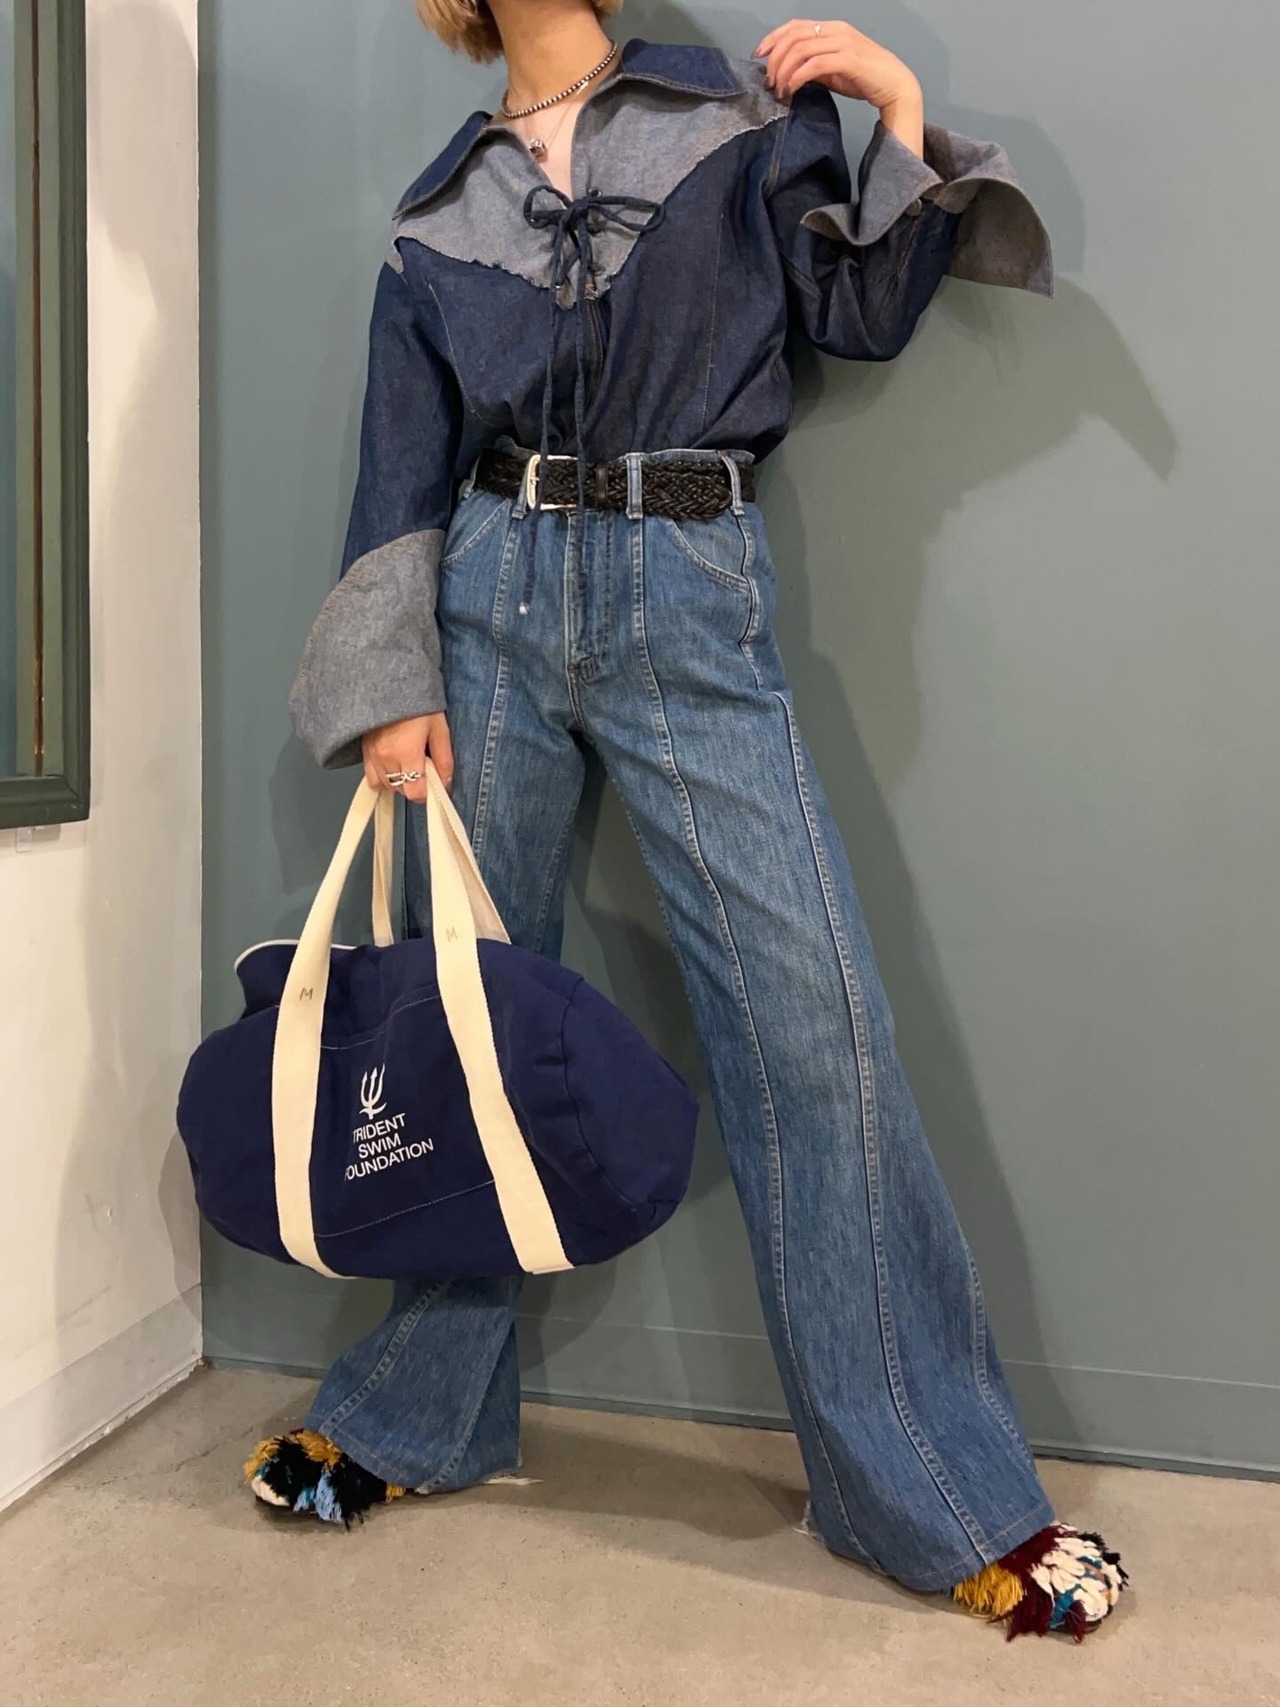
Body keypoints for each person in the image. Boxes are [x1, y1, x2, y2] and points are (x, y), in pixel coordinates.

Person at [251, 0, 1127, 1641]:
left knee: (813, 1027)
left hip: (689, 591)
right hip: (493, 603)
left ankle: (932, 1486)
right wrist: (388, 684)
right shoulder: (438, 210)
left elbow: (861, 314)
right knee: (462, 1027)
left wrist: (895, 104)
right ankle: (419, 1412)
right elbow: (401, 469)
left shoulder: (733, 119)